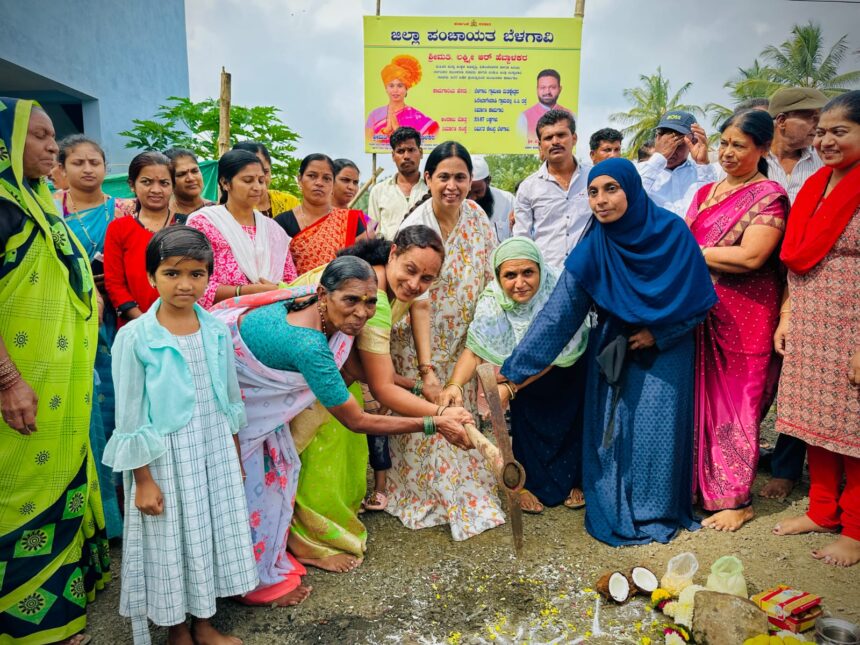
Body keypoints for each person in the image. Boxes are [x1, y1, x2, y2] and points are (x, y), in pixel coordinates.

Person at [209, 257, 472, 602]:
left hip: (248, 406)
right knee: (249, 492)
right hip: (229, 410)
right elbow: (356, 420)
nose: (361, 313)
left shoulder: (309, 304)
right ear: (324, 294)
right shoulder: (309, 345)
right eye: (351, 300)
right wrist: (434, 423)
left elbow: (360, 370)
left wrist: (422, 387)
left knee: (274, 481)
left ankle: (256, 566)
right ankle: (246, 582)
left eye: (369, 302)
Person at [500, 158, 717, 546]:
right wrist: (513, 370)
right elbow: (558, 316)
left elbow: (699, 301)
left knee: (657, 430)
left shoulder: (673, 233)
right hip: (614, 347)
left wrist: (659, 332)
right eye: (593, 192)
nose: (601, 201)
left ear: (631, 189)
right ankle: (618, 504)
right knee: (612, 432)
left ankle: (655, 510)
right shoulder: (594, 246)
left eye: (611, 190)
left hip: (667, 350)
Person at [103, 226, 257, 644]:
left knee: (206, 532)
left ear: (209, 276)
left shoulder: (215, 330)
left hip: (211, 450)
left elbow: (228, 398)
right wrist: (142, 480)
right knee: (170, 539)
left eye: (196, 274)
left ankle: (204, 624)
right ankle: (177, 629)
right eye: (172, 273)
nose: (185, 284)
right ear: (152, 276)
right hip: (164, 458)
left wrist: (235, 453)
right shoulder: (136, 336)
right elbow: (129, 415)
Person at [283, 228, 472, 569]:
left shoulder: (378, 283)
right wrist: (441, 415)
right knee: (313, 454)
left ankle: (321, 528)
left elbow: (364, 367)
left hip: (330, 373)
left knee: (347, 451)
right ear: (393, 253)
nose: (415, 284)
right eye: (411, 270)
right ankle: (307, 540)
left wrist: (420, 384)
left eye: (427, 278)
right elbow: (382, 387)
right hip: (297, 375)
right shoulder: (375, 297)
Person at [0, 97, 109, 645]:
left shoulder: (37, 201)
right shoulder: (2, 207)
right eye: (37, 135)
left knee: (60, 482)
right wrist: (9, 380)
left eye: (52, 136)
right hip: (18, 390)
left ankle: (63, 607)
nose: (51, 146)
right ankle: (28, 625)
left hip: (61, 385)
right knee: (21, 496)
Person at [389, 141, 504, 540]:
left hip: (463, 342)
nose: (452, 185)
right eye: (444, 177)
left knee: (459, 414)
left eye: (460, 177)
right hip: (418, 342)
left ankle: (464, 488)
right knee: (430, 411)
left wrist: (487, 341)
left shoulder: (477, 217)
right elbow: (414, 295)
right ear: (428, 179)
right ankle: (424, 492)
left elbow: (492, 283)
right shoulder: (417, 224)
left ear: (471, 180)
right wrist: (426, 366)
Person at [686, 109, 789, 532]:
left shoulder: (770, 196)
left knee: (737, 404)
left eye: (739, 145)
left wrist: (692, 253)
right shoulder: (706, 192)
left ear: (762, 149)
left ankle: (737, 499)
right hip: (702, 310)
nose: (727, 153)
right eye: (724, 143)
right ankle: (701, 485)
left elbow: (752, 256)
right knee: (701, 400)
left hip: (746, 314)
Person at [772, 90, 860, 568]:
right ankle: (822, 510)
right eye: (822, 131)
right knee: (816, 423)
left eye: (839, 132)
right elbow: (797, 260)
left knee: (854, 430)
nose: (825, 140)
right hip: (811, 318)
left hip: (853, 326)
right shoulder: (814, 186)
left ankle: (855, 529)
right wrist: (787, 315)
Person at [440, 237, 590, 512]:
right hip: (523, 381)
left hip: (564, 371)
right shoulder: (491, 301)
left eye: (528, 273)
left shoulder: (558, 292)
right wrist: (455, 386)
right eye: (510, 275)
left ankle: (575, 482)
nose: (520, 283)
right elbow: (474, 349)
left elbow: (554, 354)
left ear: (541, 271)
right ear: (498, 276)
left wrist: (510, 388)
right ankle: (524, 484)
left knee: (571, 427)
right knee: (527, 430)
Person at [55, 134, 135, 539]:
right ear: (62, 169)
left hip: (119, 319)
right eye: (78, 163)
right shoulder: (50, 211)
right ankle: (91, 512)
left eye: (95, 162)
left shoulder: (125, 209)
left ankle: (125, 508)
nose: (88, 170)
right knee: (85, 409)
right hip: (68, 319)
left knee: (122, 405)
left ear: (106, 168)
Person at [757, 87, 829, 500]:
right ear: (782, 120)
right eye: (810, 116)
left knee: (795, 377)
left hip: (805, 279)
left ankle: (786, 468)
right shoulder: (751, 158)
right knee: (752, 378)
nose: (818, 125)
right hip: (751, 279)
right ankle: (737, 457)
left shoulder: (823, 167)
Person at [187, 149, 297, 308]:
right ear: (225, 183)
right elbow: (192, 283)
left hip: (274, 314)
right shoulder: (203, 223)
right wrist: (246, 292)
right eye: (248, 180)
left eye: (261, 180)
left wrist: (276, 291)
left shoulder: (274, 231)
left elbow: (291, 284)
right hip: (219, 319)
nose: (257, 187)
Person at [104, 151, 177, 326]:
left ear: (173, 186)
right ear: (132, 185)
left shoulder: (186, 225)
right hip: (134, 325)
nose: (156, 190)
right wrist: (144, 321)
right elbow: (114, 283)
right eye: (146, 182)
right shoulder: (119, 228)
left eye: (164, 183)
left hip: (181, 321)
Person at [513, 109, 593, 267]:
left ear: (574, 138)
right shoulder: (528, 187)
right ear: (540, 145)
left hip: (590, 273)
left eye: (561, 135)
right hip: (548, 277)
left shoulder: (594, 178)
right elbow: (522, 239)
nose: (555, 142)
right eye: (548, 138)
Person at [274, 154, 367, 274]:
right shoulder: (281, 223)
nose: (319, 183)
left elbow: (364, 265)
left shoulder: (351, 221)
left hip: (342, 290)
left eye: (326, 178)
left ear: (333, 184)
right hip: (296, 291)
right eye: (312, 176)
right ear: (299, 179)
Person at [637, 110, 717, 216]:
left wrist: (702, 163)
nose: (671, 150)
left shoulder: (703, 171)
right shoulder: (639, 171)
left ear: (693, 142)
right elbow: (633, 199)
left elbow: (710, 206)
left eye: (678, 144)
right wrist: (660, 158)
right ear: (657, 139)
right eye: (667, 143)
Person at [365, 55, 439, 151]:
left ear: (406, 88)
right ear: (386, 88)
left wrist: (397, 129)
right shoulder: (374, 115)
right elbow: (370, 144)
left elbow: (433, 136)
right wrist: (386, 131)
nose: (395, 90)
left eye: (400, 86)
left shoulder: (416, 116)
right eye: (391, 86)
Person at [368, 126, 429, 240]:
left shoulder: (431, 188)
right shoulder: (378, 191)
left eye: (411, 150)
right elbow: (372, 232)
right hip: (388, 255)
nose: (406, 156)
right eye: (400, 151)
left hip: (425, 255)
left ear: (420, 153)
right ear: (393, 156)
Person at [232, 140, 301, 217]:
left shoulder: (290, 203)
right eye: (248, 177)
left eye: (265, 171)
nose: (258, 183)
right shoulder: (229, 212)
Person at [518, 69, 572, 148]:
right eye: (543, 88)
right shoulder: (524, 118)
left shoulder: (571, 116)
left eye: (552, 87)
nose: (547, 92)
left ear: (560, 89)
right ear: (537, 89)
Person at [469, 155, 514, 243]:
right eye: (468, 192)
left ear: (488, 181)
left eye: (477, 192)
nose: (472, 198)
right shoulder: (455, 203)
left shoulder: (508, 201)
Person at [164, 148, 214, 224]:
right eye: (181, 174)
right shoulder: (162, 216)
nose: (191, 178)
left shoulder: (217, 210)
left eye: (195, 171)